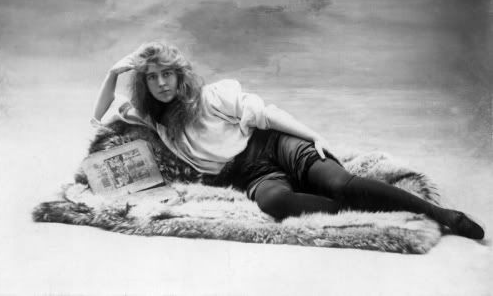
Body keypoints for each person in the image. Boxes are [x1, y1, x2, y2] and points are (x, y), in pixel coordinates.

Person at [92, 41, 485, 240]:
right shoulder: (152, 119)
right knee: (277, 203)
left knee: (341, 183)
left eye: (167, 75)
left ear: (179, 75)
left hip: (274, 145)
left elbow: (264, 112)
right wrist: (113, 74)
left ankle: (442, 216)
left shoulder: (209, 96)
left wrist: (312, 135)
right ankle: (368, 211)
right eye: (152, 77)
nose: (161, 84)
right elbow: (99, 117)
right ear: (144, 82)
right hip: (249, 174)